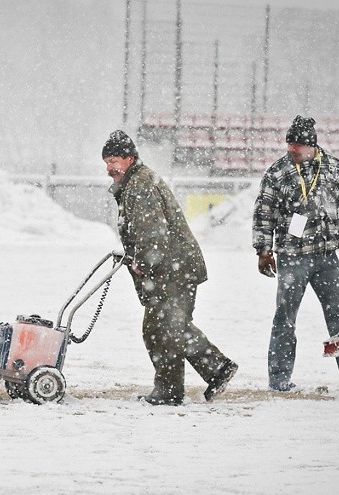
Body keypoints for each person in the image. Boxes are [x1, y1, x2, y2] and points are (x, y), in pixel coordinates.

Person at [251, 115, 339, 392]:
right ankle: (279, 380)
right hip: (293, 256)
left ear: (311, 145)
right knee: (285, 316)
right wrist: (264, 250)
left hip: (327, 256)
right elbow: (264, 214)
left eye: (297, 145)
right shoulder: (277, 172)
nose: (291, 149)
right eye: (289, 144)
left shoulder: (332, 167)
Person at [102, 130, 238, 405]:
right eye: (106, 162)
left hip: (175, 269)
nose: (109, 168)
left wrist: (144, 262)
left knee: (169, 328)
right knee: (159, 329)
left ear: (129, 159)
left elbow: (153, 232)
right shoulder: (133, 182)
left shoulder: (140, 185)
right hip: (170, 267)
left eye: (113, 160)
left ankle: (216, 368)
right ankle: (171, 389)